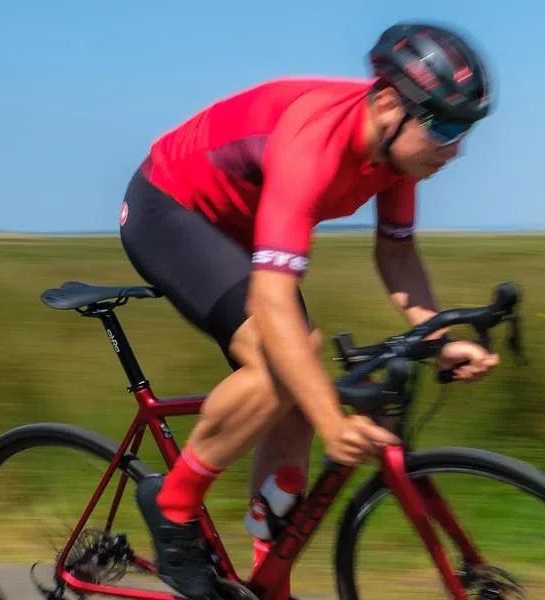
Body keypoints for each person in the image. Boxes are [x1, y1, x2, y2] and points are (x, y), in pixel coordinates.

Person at [118, 21, 500, 599]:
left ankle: (271, 582)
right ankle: (171, 504)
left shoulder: (395, 155)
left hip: (245, 227)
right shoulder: (314, 146)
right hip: (171, 209)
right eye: (444, 126)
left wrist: (439, 340)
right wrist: (332, 422)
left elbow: (396, 255)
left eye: (465, 130)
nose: (455, 148)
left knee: (299, 381)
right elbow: (271, 304)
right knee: (285, 364)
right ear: (391, 104)